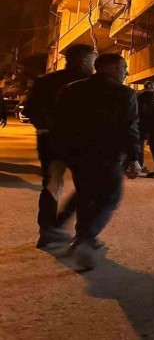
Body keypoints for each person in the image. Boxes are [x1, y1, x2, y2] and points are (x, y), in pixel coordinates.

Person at [53, 53, 140, 269]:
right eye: (123, 67)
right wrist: (134, 158)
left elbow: (59, 123)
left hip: (77, 155)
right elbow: (129, 127)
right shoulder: (123, 93)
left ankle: (78, 237)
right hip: (108, 155)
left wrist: (62, 152)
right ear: (110, 68)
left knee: (86, 195)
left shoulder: (72, 89)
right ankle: (85, 239)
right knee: (110, 197)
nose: (126, 72)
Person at [23, 44, 96, 248]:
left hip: (49, 140)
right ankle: (82, 234)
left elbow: (29, 110)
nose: (94, 64)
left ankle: (47, 232)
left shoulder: (45, 81)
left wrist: (46, 127)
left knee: (53, 184)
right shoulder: (90, 83)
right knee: (87, 186)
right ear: (84, 60)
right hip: (79, 142)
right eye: (93, 59)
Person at [136, 81, 154, 172]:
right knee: (139, 146)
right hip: (145, 125)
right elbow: (152, 112)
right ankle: (139, 165)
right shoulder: (151, 96)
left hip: (136, 123)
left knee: (137, 145)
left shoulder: (138, 95)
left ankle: (134, 164)